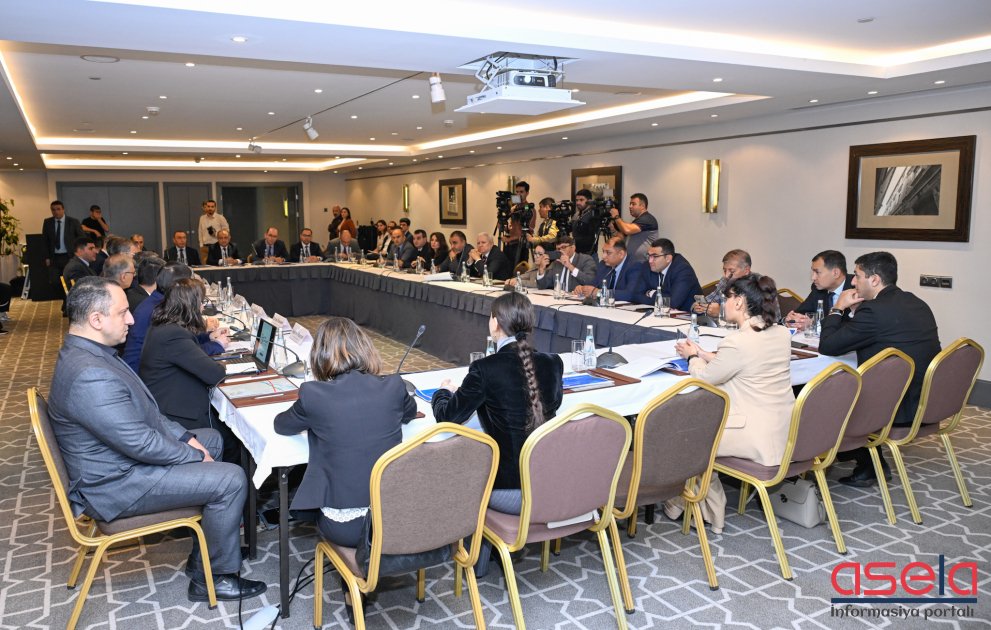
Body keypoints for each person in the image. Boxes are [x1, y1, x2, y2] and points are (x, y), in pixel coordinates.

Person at [47, 277, 265, 603]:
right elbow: (140, 444)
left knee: (211, 440)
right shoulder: (89, 374)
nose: (132, 319)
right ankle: (216, 577)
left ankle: (207, 553)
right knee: (231, 479)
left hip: (119, 462)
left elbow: (148, 413)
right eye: (122, 313)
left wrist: (186, 438)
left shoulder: (91, 353)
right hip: (116, 483)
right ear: (96, 319)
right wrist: (193, 455)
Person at [431, 292, 564, 576]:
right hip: (549, 483)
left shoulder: (485, 369)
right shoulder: (553, 363)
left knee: (459, 464)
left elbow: (447, 417)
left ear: (495, 323)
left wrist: (443, 392)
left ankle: (472, 555)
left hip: (508, 492)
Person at [274, 317, 417, 547]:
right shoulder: (393, 385)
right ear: (366, 348)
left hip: (347, 528)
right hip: (394, 518)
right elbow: (409, 413)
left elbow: (282, 425)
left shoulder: (313, 393)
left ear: (319, 355)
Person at [669, 273, 794, 531]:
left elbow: (704, 379)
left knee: (687, 436)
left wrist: (692, 357)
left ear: (739, 302)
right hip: (783, 428)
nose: (723, 304)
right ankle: (683, 504)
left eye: (727, 298)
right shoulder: (781, 333)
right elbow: (745, 362)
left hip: (752, 435)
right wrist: (705, 353)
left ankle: (707, 510)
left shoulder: (737, 342)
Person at [819, 251, 941, 486]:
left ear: (874, 279)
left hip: (896, 407)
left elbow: (828, 346)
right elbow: (872, 333)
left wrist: (837, 308)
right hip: (927, 398)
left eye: (857, 276)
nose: (853, 282)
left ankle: (866, 464)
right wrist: (855, 313)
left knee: (818, 395)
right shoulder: (916, 302)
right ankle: (863, 460)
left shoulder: (874, 310)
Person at [140, 279, 229, 446]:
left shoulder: (163, 326)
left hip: (167, 405)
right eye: (201, 302)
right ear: (191, 305)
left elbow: (189, 348)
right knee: (230, 438)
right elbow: (216, 374)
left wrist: (207, 338)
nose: (202, 307)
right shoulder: (173, 335)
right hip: (177, 416)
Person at [123, 262, 225, 373]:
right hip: (142, 373)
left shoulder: (157, 301)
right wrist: (217, 345)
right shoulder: (161, 309)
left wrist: (207, 337)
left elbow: (185, 342)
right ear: (180, 286)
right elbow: (185, 354)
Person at [786, 250, 854, 329]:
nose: (813, 278)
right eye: (813, 272)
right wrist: (794, 320)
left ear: (835, 273)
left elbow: (854, 326)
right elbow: (802, 313)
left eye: (817, 272)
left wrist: (814, 324)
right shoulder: (818, 289)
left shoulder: (856, 288)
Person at [632, 238, 702, 312]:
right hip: (660, 314)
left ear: (668, 258)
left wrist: (651, 293)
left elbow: (672, 303)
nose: (650, 260)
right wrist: (664, 298)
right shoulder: (648, 266)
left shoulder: (683, 270)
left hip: (688, 315)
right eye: (649, 255)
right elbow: (636, 295)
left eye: (655, 256)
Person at [574, 236, 644, 302]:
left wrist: (599, 292)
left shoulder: (635, 266)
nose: (603, 256)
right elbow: (593, 285)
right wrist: (582, 288)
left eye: (608, 253)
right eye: (603, 252)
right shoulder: (603, 265)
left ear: (621, 254)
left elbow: (630, 294)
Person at [43, 200, 86, 303]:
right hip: (54, 257)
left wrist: (79, 253)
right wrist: (46, 257)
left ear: (63, 209)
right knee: (55, 281)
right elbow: (45, 241)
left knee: (69, 280)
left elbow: (81, 238)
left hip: (69, 256)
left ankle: (69, 301)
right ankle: (65, 298)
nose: (56, 212)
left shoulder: (73, 222)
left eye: (58, 209)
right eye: (53, 210)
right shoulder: (48, 222)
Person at [693, 249, 752, 317]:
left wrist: (721, 312)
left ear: (746, 270)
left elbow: (749, 316)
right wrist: (698, 306)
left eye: (732, 271)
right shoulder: (724, 281)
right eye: (724, 270)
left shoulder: (756, 288)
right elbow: (709, 300)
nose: (726, 276)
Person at [609, 193, 659, 263]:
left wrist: (616, 216)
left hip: (644, 264)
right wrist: (613, 230)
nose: (630, 206)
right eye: (630, 204)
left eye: (633, 204)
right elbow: (624, 238)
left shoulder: (647, 219)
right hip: (633, 263)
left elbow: (627, 230)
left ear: (642, 206)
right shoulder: (636, 222)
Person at [501, 181, 535, 267]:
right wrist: (502, 219)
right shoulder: (513, 207)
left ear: (527, 193)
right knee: (507, 270)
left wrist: (509, 239)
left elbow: (527, 232)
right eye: (517, 192)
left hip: (521, 246)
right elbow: (510, 227)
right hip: (509, 246)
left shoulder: (529, 209)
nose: (518, 194)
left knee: (519, 271)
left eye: (521, 192)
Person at [571, 189, 599, 260]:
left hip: (589, 255)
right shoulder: (576, 215)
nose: (578, 203)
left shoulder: (593, 215)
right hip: (576, 253)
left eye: (581, 200)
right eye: (577, 200)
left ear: (589, 201)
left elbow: (590, 238)